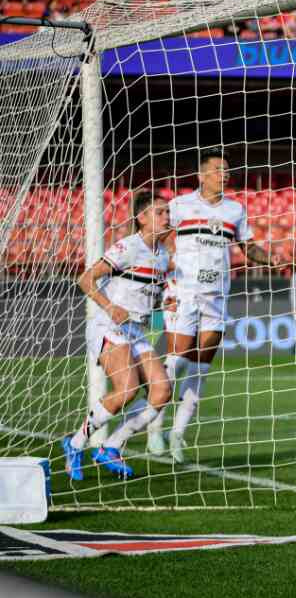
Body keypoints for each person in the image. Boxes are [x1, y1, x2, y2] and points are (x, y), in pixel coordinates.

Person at [147, 150, 276, 463]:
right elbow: (156, 233)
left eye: (227, 170)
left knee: (201, 366)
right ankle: (155, 424)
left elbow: (247, 247)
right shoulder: (179, 206)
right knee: (176, 359)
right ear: (202, 175)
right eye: (219, 169)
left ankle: (178, 433)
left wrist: (268, 258)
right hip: (184, 291)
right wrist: (165, 260)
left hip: (216, 295)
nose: (225, 174)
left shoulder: (235, 210)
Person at [62, 192, 171, 481]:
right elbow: (85, 279)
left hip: (135, 330)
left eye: (167, 212)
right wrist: (111, 306)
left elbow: (146, 294)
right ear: (142, 218)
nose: (166, 218)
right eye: (159, 212)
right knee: (127, 389)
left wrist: (166, 303)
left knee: (162, 391)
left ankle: (110, 446)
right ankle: (74, 444)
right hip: (109, 325)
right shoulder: (128, 247)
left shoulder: (163, 256)